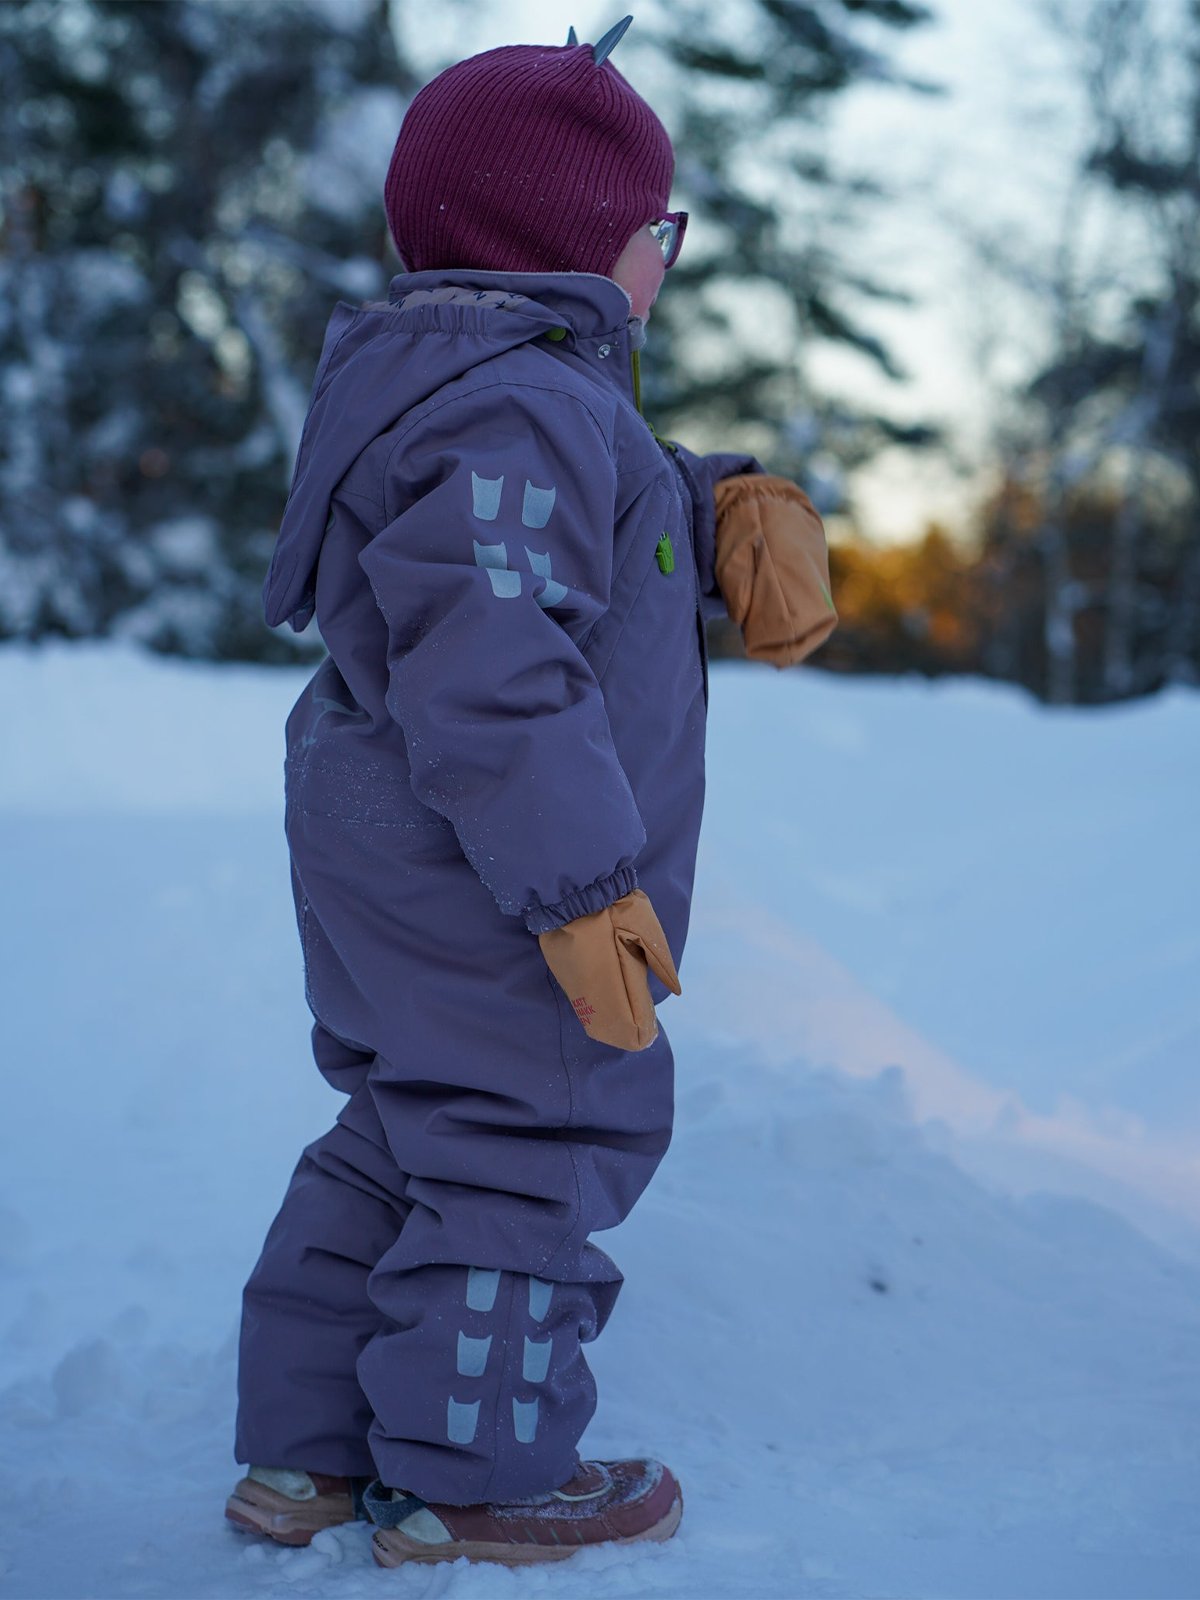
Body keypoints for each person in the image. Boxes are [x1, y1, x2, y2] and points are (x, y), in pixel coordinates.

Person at [224, 15, 837, 1571]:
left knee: (407, 1122)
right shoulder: (520, 404)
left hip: (394, 840)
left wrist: (715, 507)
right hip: (487, 864)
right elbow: (490, 644)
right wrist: (578, 886)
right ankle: (473, 1474)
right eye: (659, 232)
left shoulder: (488, 385)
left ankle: (305, 1454)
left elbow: (551, 534)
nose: (666, 260)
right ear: (582, 241)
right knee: (534, 1140)